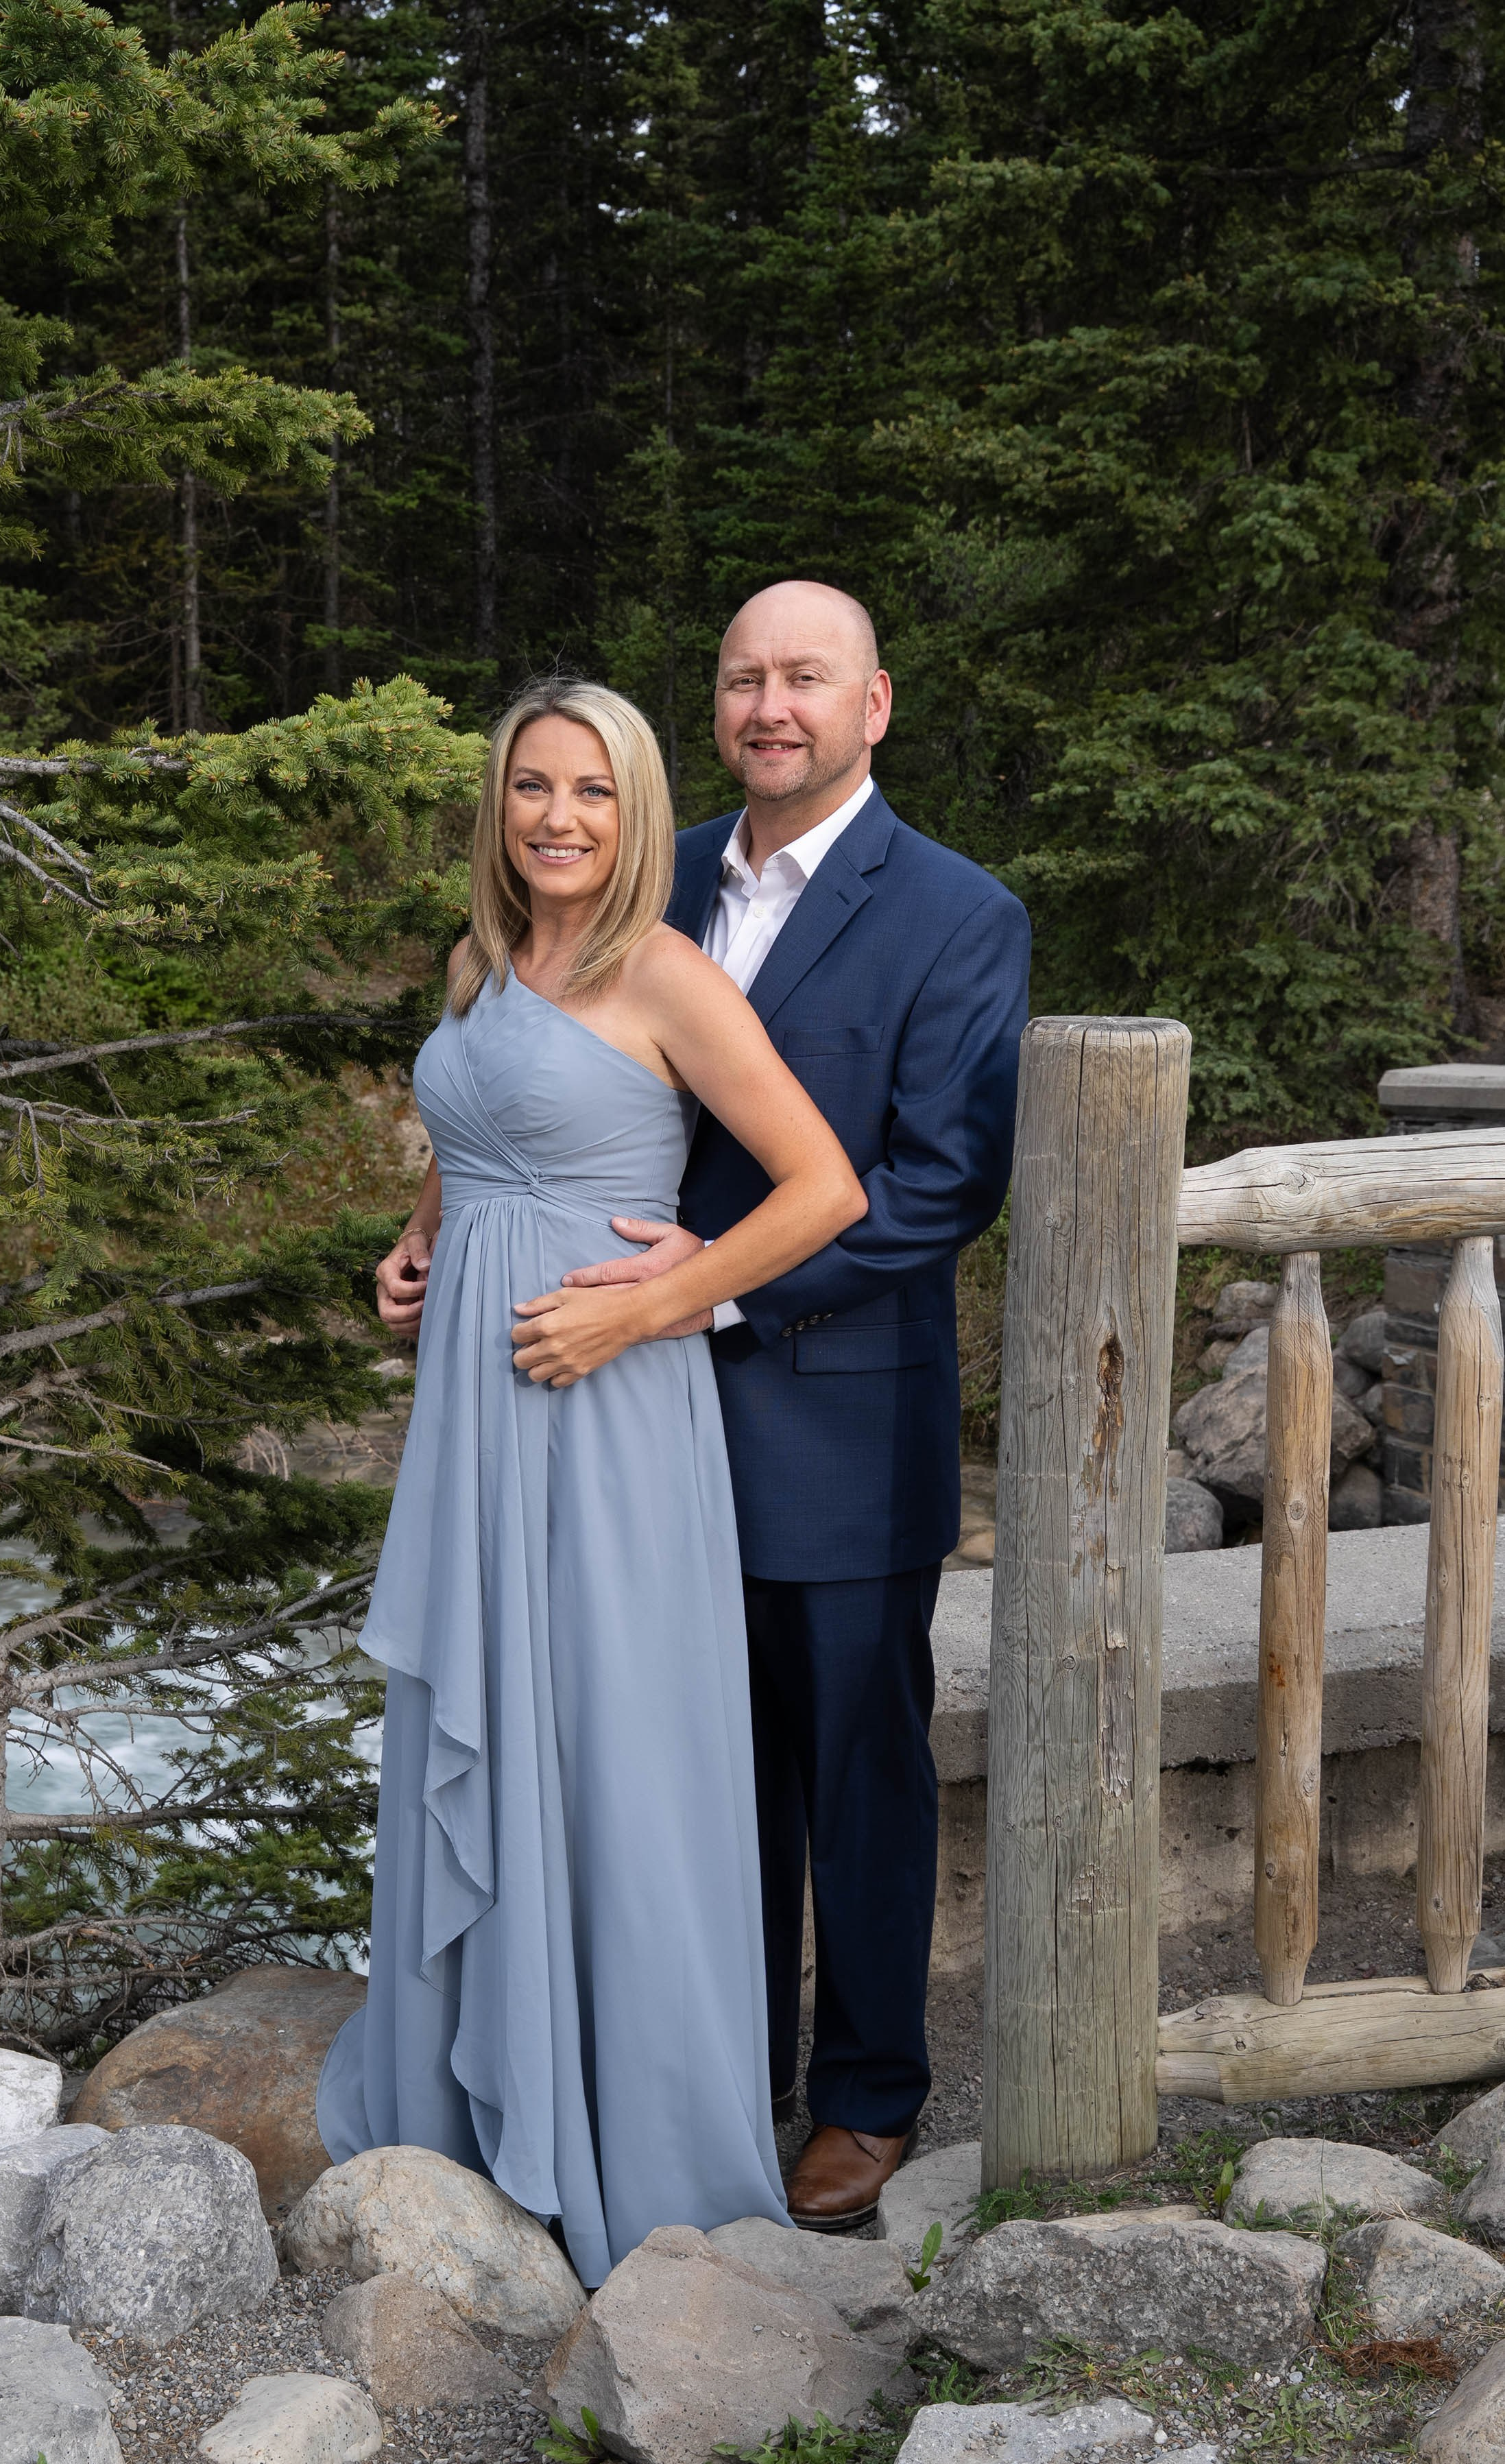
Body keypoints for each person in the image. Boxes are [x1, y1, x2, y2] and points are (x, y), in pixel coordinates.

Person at [316, 676, 867, 2287]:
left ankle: (627, 2135)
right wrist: (419, 1244)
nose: (558, 817)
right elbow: (474, 1130)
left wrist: (656, 1300)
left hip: (611, 1411)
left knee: (609, 1737)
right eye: (531, 787)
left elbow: (823, 1185)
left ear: (636, 812)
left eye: (595, 792)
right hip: (474, 1414)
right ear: (499, 805)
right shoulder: (482, 962)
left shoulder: (664, 975)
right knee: (482, 1716)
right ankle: (469, 2105)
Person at [562, 581, 1031, 2231]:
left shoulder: (958, 913)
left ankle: (868, 2093)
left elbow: (939, 1184)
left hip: (831, 1408)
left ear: (874, 705)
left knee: (855, 1767)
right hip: (633, 1421)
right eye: (745, 677)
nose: (772, 705)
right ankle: (717, 2075)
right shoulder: (650, 870)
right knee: (697, 1765)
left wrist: (711, 1287)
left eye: (805, 680)